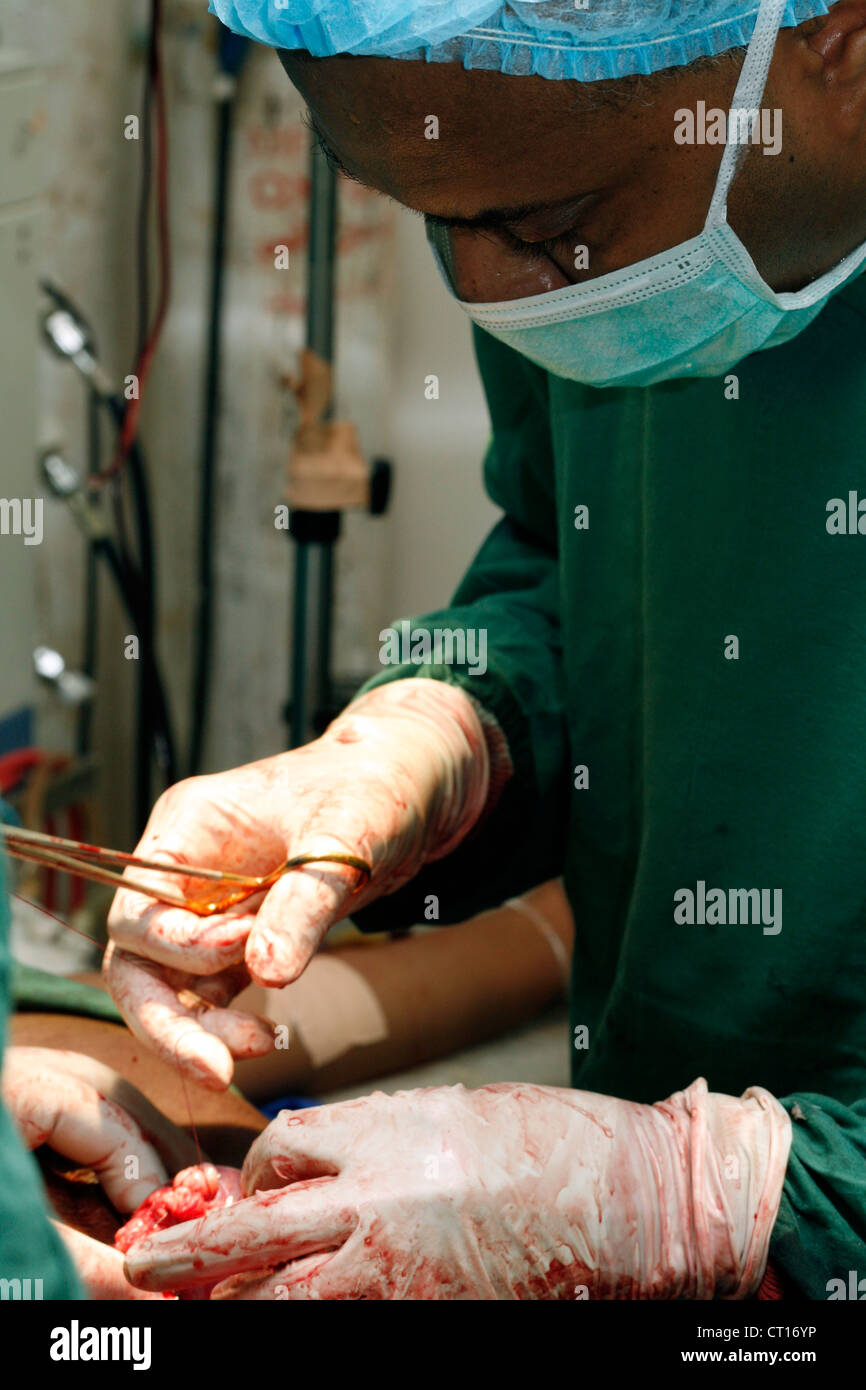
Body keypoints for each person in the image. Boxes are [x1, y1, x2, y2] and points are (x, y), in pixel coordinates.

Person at [110, 1, 866, 1300]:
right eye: (430, 218)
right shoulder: (592, 200)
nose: (489, 293)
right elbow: (579, 569)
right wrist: (440, 730)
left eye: (543, 224)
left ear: (837, 39)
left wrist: (720, 1201)